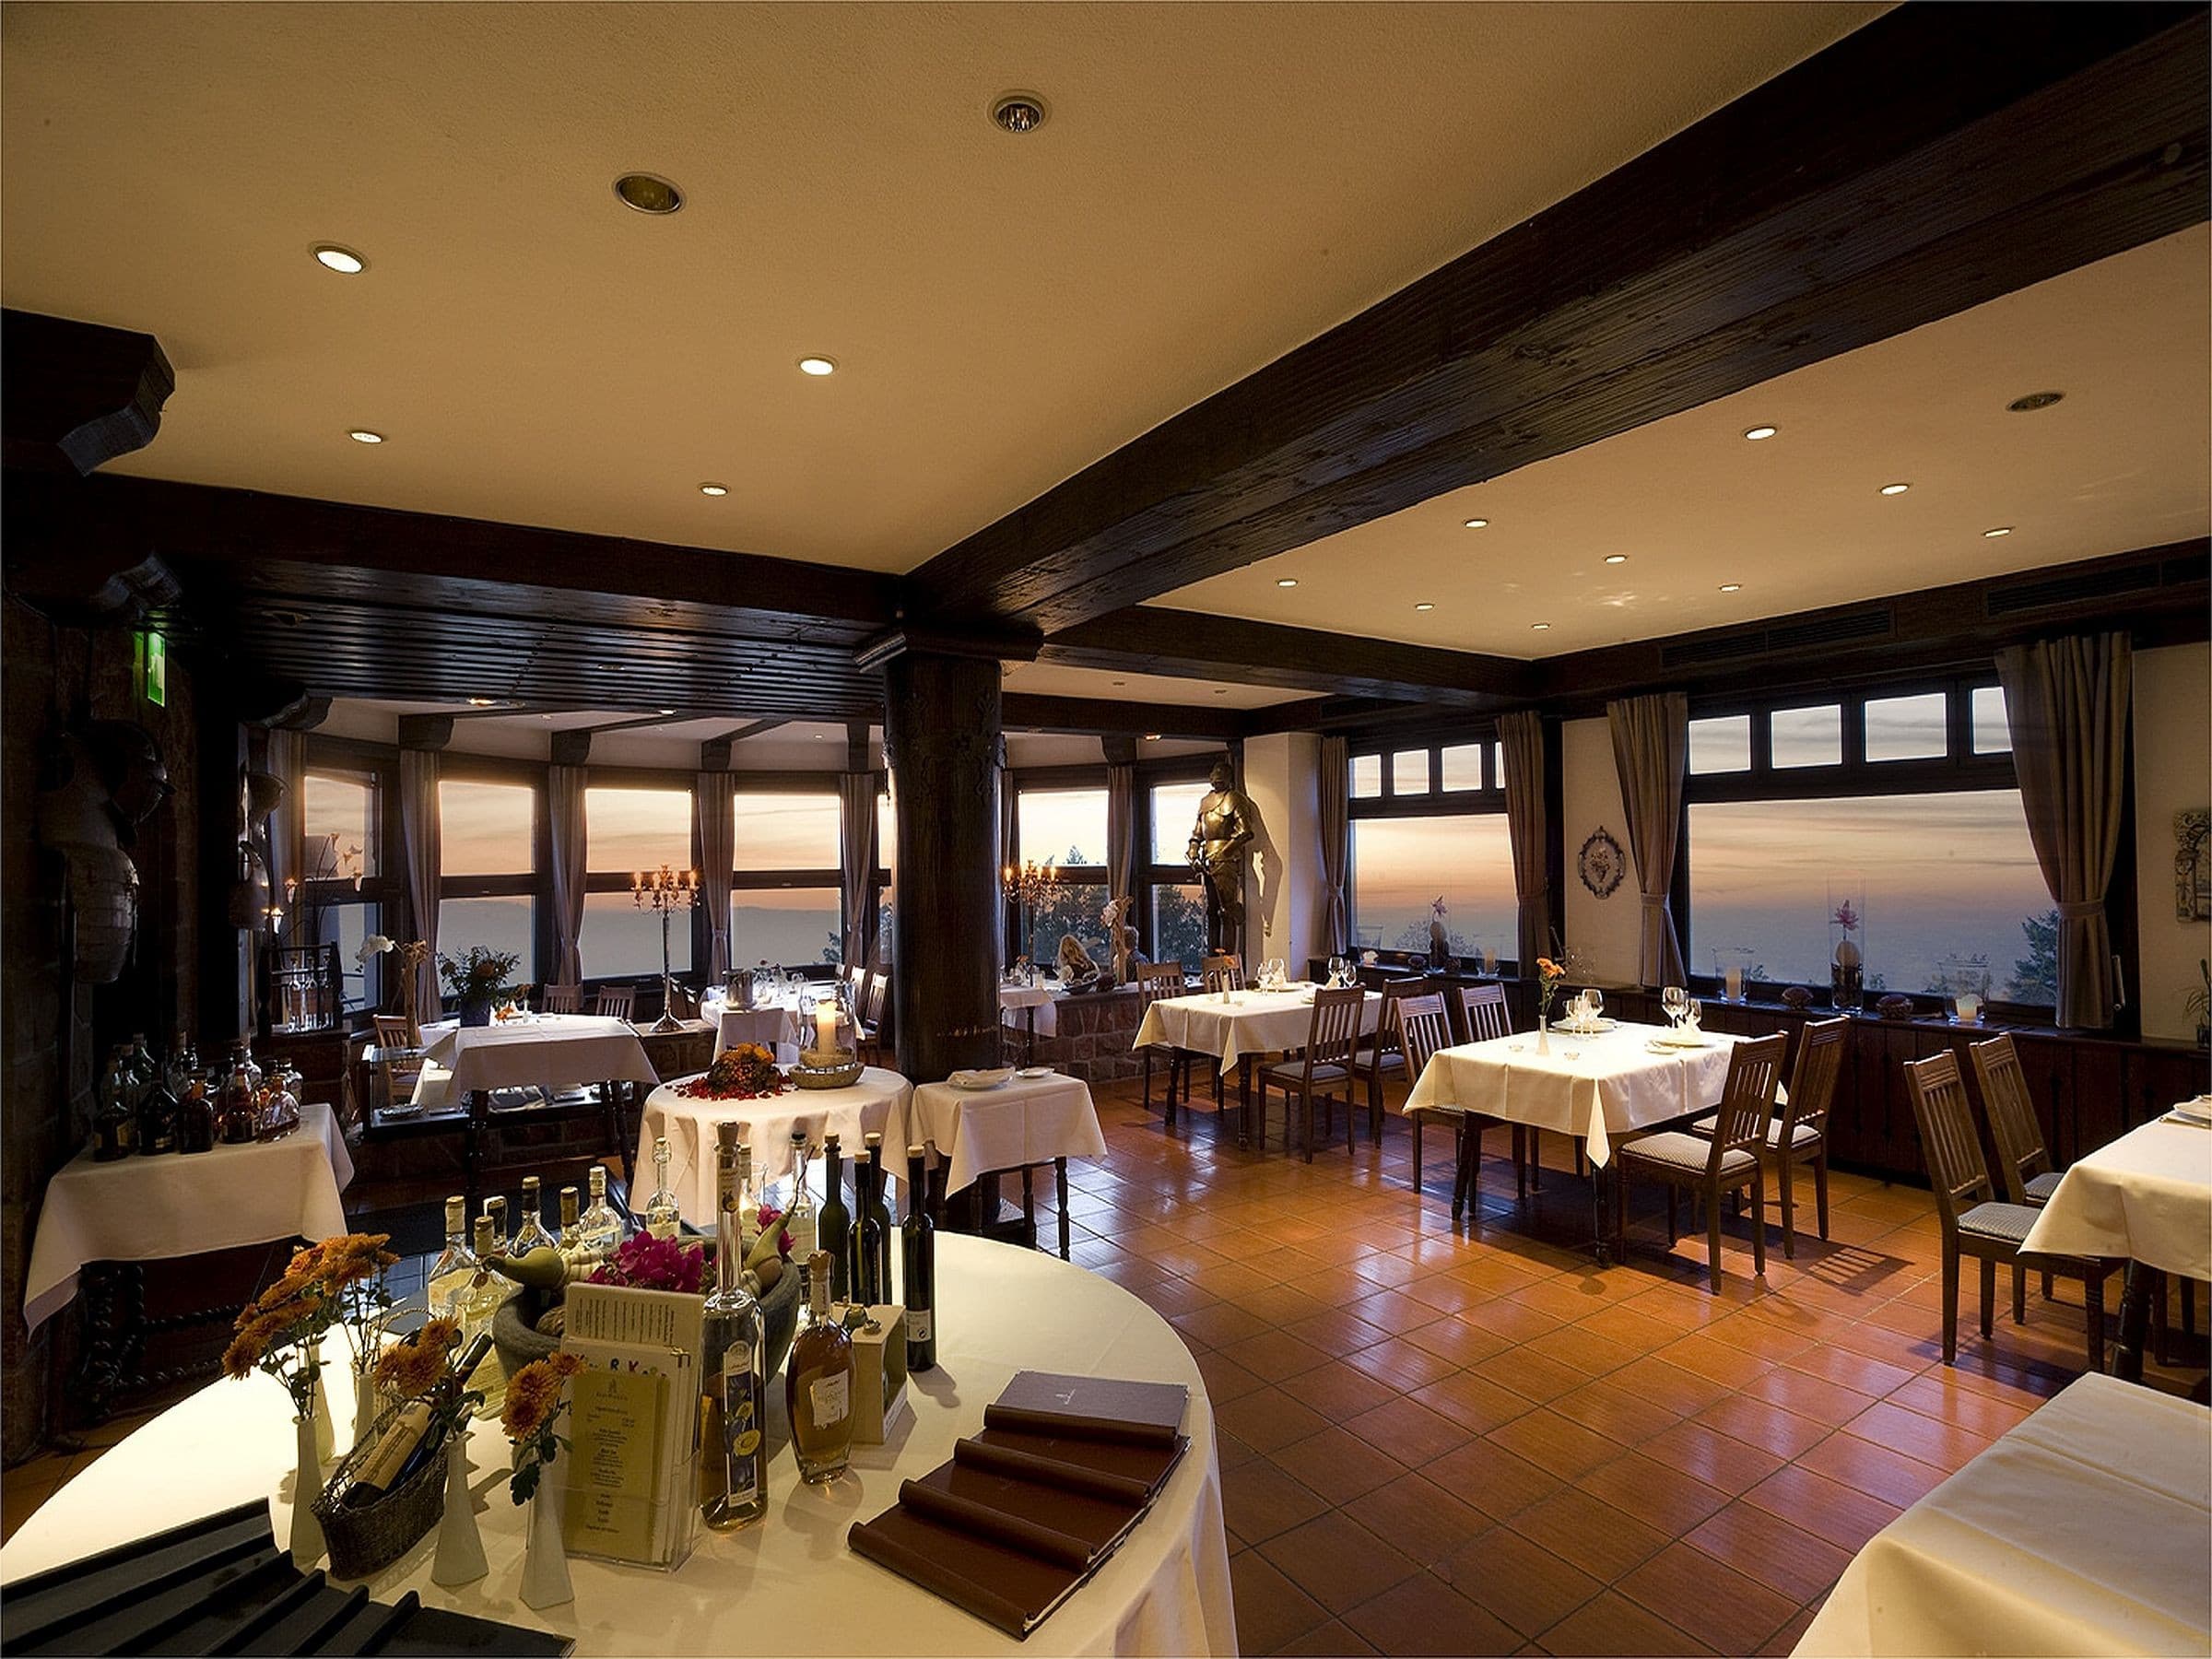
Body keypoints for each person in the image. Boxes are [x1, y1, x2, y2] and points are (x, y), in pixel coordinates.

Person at [1186, 759, 1259, 954]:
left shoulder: (1235, 799)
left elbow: (1246, 831)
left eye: (1221, 777)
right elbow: (1198, 833)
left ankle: (1227, 964)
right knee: (1211, 913)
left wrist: (1225, 850)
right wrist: (1193, 853)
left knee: (1227, 912)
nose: (1217, 781)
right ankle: (1212, 962)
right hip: (1207, 861)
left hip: (1227, 860)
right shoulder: (1205, 803)